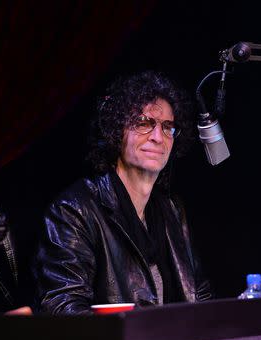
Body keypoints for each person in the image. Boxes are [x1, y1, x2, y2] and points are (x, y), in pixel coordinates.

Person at [34, 70, 213, 315]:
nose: (158, 137)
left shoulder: (171, 208)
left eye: (167, 126)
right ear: (117, 131)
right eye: (143, 123)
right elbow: (63, 308)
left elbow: (200, 296)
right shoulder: (74, 210)